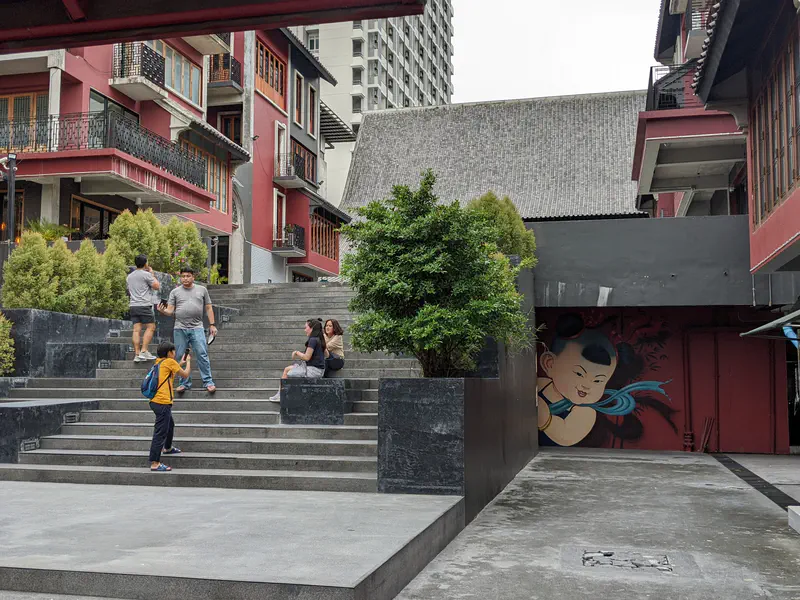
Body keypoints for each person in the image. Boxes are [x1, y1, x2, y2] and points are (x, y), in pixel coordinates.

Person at [157, 267, 217, 393]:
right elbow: (170, 311)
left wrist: (212, 324)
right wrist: (163, 311)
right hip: (180, 328)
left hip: (197, 327)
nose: (185, 278)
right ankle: (184, 383)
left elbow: (209, 308)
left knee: (202, 353)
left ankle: (208, 382)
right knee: (180, 355)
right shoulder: (175, 292)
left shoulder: (202, 290)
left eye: (188, 276)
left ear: (193, 277)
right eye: (183, 276)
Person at [149, 341, 191, 472]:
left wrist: (180, 363)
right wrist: (189, 362)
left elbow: (170, 371)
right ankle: (155, 463)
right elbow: (185, 375)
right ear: (169, 353)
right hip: (163, 402)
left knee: (170, 424)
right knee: (160, 432)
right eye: (173, 351)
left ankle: (167, 447)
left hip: (155, 401)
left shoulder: (159, 362)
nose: (175, 353)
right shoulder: (170, 362)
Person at [269, 319, 326, 401]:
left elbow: (306, 357)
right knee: (289, 369)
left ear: (312, 328)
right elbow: (326, 354)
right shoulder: (319, 339)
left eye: (306, 327)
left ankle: (280, 395)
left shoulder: (313, 340)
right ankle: (280, 394)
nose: (305, 330)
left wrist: (297, 353)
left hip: (312, 371)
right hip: (319, 370)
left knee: (287, 371)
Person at [126, 254, 160, 362]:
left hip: (133, 305)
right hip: (144, 305)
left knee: (136, 330)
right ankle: (144, 351)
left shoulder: (129, 276)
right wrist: (152, 274)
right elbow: (156, 286)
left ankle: (137, 354)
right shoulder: (146, 275)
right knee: (151, 327)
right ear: (145, 263)